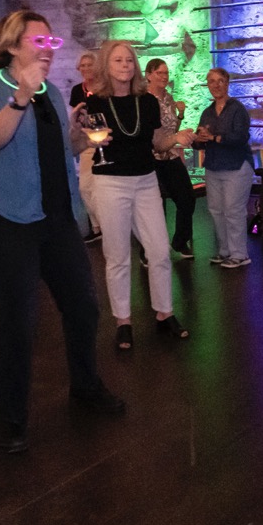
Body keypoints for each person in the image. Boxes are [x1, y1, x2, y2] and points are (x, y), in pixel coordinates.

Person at [0, 10, 125, 454]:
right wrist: (20, 94)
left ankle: (85, 386)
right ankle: (10, 420)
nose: (47, 49)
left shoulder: (52, 93)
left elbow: (61, 152)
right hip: (5, 220)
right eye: (38, 42)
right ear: (11, 45)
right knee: (18, 322)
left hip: (54, 219)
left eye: (51, 42)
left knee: (84, 307)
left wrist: (81, 138)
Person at [79, 41, 192, 349]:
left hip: (145, 180)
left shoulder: (147, 102)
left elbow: (157, 143)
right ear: (107, 65)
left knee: (159, 250)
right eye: (118, 60)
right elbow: (86, 142)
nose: (125, 65)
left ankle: (164, 313)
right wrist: (87, 138)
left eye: (129, 60)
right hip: (110, 182)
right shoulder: (96, 103)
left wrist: (176, 138)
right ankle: (123, 321)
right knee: (117, 255)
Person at [192, 68, 255, 269]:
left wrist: (214, 138)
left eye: (220, 81)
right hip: (213, 166)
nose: (216, 85)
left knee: (233, 210)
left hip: (236, 165)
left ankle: (240, 254)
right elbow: (198, 143)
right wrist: (199, 139)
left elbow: (240, 137)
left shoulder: (237, 109)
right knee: (216, 210)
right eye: (212, 81)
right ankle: (225, 250)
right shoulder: (207, 112)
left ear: (227, 83)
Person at [144, 58, 197, 259]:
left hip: (170, 154)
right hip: (151, 157)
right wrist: (174, 138)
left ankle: (180, 241)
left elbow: (172, 129)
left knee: (187, 198)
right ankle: (148, 251)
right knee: (155, 206)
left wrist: (181, 115)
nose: (164, 77)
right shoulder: (143, 99)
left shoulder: (168, 97)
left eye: (166, 73)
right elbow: (152, 137)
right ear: (149, 75)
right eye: (160, 73)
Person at [68, 51, 102, 243]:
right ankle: (98, 226)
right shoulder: (77, 90)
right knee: (85, 187)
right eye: (83, 65)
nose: (86, 68)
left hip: (105, 139)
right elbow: (77, 114)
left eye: (90, 64)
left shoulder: (105, 88)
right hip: (87, 140)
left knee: (102, 187)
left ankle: (106, 226)